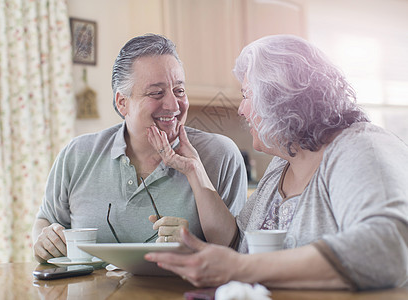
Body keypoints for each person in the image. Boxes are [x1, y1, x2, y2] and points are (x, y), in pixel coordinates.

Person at [145, 34, 408, 290]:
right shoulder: (283, 164)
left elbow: (389, 249)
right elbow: (239, 243)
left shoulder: (362, 148)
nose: (241, 109)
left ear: (281, 98)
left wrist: (239, 268)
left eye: (247, 95)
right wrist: (193, 169)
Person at [32, 34, 247, 263]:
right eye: (156, 93)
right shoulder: (77, 154)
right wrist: (44, 241)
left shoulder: (220, 155)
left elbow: (236, 251)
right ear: (122, 102)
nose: (174, 105)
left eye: (179, 90)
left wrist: (195, 246)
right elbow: (46, 219)